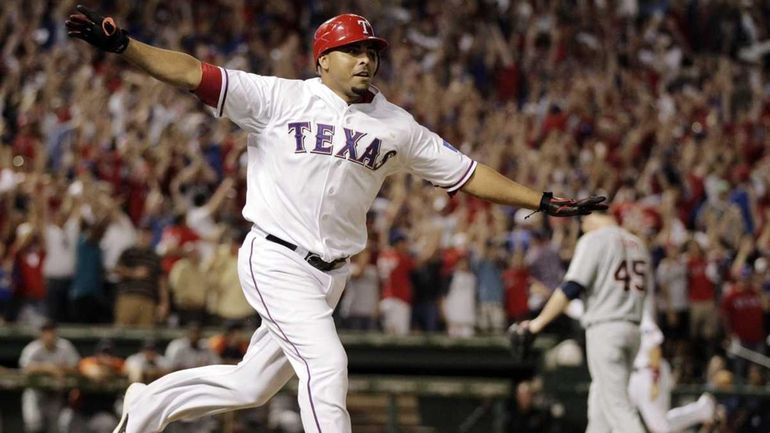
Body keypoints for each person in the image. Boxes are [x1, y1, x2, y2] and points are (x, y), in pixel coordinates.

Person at [65, 7, 606, 433]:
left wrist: (539, 198)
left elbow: (466, 174)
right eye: (352, 50)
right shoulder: (279, 98)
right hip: (275, 257)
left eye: (371, 50)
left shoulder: (397, 125)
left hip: (332, 275)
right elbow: (191, 73)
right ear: (324, 59)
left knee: (251, 385)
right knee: (327, 363)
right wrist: (124, 47)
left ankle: (147, 405)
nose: (365, 59)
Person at [515, 212, 649, 433]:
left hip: (605, 328)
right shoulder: (638, 244)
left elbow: (571, 287)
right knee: (600, 405)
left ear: (588, 218)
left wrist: (537, 324)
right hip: (633, 328)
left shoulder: (595, 239)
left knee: (618, 408)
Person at [627, 317, 717, 433]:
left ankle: (702, 409)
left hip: (650, 373)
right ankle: (702, 410)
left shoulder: (645, 321)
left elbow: (655, 349)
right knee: (622, 417)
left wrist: (654, 381)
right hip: (633, 376)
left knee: (661, 427)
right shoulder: (623, 320)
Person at [19, 321, 81, 433]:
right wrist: (50, 369)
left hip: (55, 393)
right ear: (40, 334)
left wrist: (62, 370)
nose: (48, 335)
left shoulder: (65, 346)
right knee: (33, 425)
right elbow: (26, 368)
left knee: (55, 428)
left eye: (51, 331)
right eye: (45, 332)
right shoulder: (32, 348)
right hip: (36, 393)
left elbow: (77, 366)